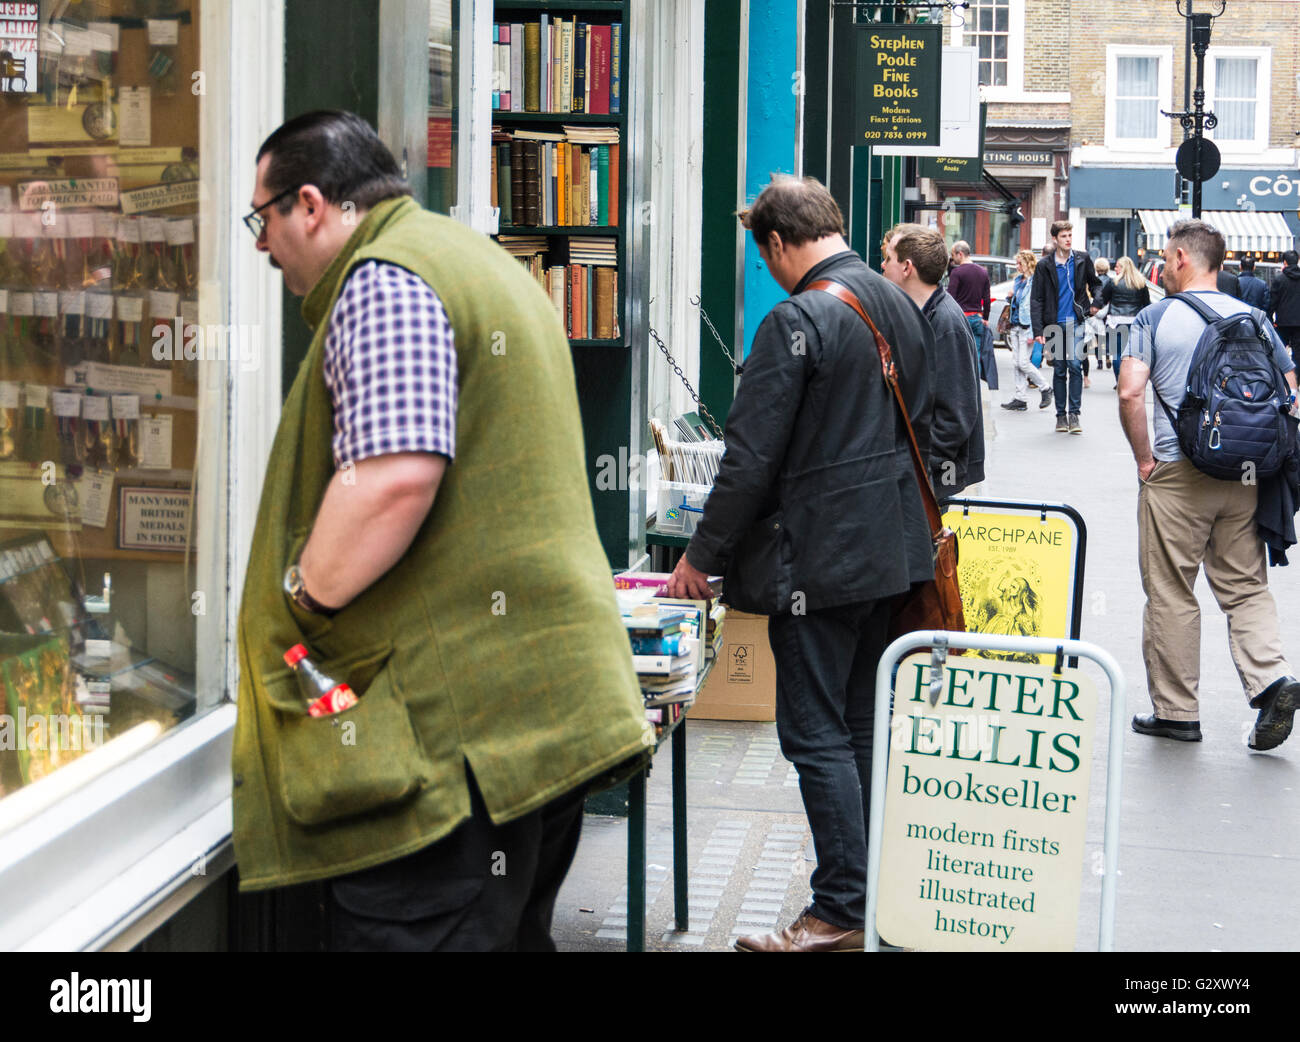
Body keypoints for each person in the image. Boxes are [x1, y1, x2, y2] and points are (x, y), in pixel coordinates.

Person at [230, 111, 650, 951]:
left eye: (262, 219)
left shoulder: (383, 282)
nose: (260, 245)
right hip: (529, 724)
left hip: (454, 755)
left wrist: (302, 595)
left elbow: (393, 478)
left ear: (309, 205)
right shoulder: (471, 262)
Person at [666, 174, 935, 952]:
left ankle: (839, 910)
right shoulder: (895, 302)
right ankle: (867, 891)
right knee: (857, 726)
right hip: (889, 551)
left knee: (815, 733)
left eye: (764, 255)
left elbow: (749, 459)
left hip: (820, 558)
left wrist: (700, 559)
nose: (768, 271)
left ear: (777, 242)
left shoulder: (800, 316)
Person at [1117, 219, 1299, 749]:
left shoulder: (1154, 317)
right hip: (1246, 475)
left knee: (1172, 590)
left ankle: (1177, 713)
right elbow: (1290, 392)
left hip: (1177, 472)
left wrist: (1145, 461)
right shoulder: (1256, 319)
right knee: (1245, 587)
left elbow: (1130, 393)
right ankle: (1272, 679)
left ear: (1178, 258)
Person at [882, 223, 985, 497]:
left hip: (923, 482)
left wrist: (914, 469)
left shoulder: (945, 322)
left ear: (906, 267)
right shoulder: (920, 313)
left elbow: (956, 417)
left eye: (888, 258)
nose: (882, 266)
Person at [1031, 221, 1101, 435]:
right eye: (1064, 236)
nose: (1068, 239)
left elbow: (1096, 283)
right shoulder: (1044, 265)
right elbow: (1037, 299)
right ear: (1055, 239)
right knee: (1060, 369)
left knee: (1075, 364)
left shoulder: (1082, 259)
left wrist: (1096, 302)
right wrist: (1038, 331)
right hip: (1054, 323)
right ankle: (1061, 415)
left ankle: (1074, 414)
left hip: (1076, 320)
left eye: (1070, 235)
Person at [999, 249, 1052, 411]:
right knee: (1016, 363)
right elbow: (1018, 302)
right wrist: (1010, 297)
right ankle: (1020, 397)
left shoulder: (1035, 281)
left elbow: (1036, 306)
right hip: (1015, 325)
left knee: (1023, 362)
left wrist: (1035, 331)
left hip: (1027, 326)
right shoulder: (1018, 281)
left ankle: (1045, 387)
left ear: (1028, 263)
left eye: (1019, 263)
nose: (1017, 266)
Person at [946, 240, 998, 391]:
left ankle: (961, 388)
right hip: (977, 318)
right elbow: (987, 298)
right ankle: (975, 390)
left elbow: (951, 298)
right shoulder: (982, 272)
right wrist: (986, 318)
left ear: (960, 254)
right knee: (976, 354)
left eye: (953, 255)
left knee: (959, 355)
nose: (952, 258)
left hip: (961, 318)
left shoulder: (957, 273)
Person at [1094, 256, 1150, 386]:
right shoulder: (1140, 284)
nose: (1115, 268)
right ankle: (1130, 380)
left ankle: (1120, 381)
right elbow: (1146, 304)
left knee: (1117, 354)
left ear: (1124, 268)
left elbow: (1103, 300)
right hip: (1134, 323)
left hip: (1115, 323)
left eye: (1118, 266)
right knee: (1132, 355)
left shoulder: (1113, 283)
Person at [1271, 250, 1300, 369]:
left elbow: (1272, 302)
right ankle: (1297, 380)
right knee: (1298, 354)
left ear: (1285, 262)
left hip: (1282, 322)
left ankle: (1282, 378)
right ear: (1297, 261)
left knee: (1280, 351)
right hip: (1299, 323)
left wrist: (1269, 319)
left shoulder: (1279, 279)